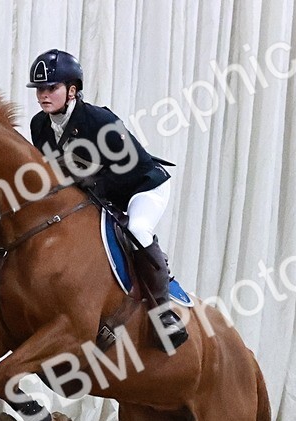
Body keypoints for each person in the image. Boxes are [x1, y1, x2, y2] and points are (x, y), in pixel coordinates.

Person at [26, 49, 188, 350]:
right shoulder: (39, 126)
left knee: (137, 230)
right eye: (39, 89)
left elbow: (133, 166)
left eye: (51, 88)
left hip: (140, 187)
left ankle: (164, 314)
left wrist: (91, 184)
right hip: (98, 195)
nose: (43, 95)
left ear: (72, 90)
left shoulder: (99, 120)